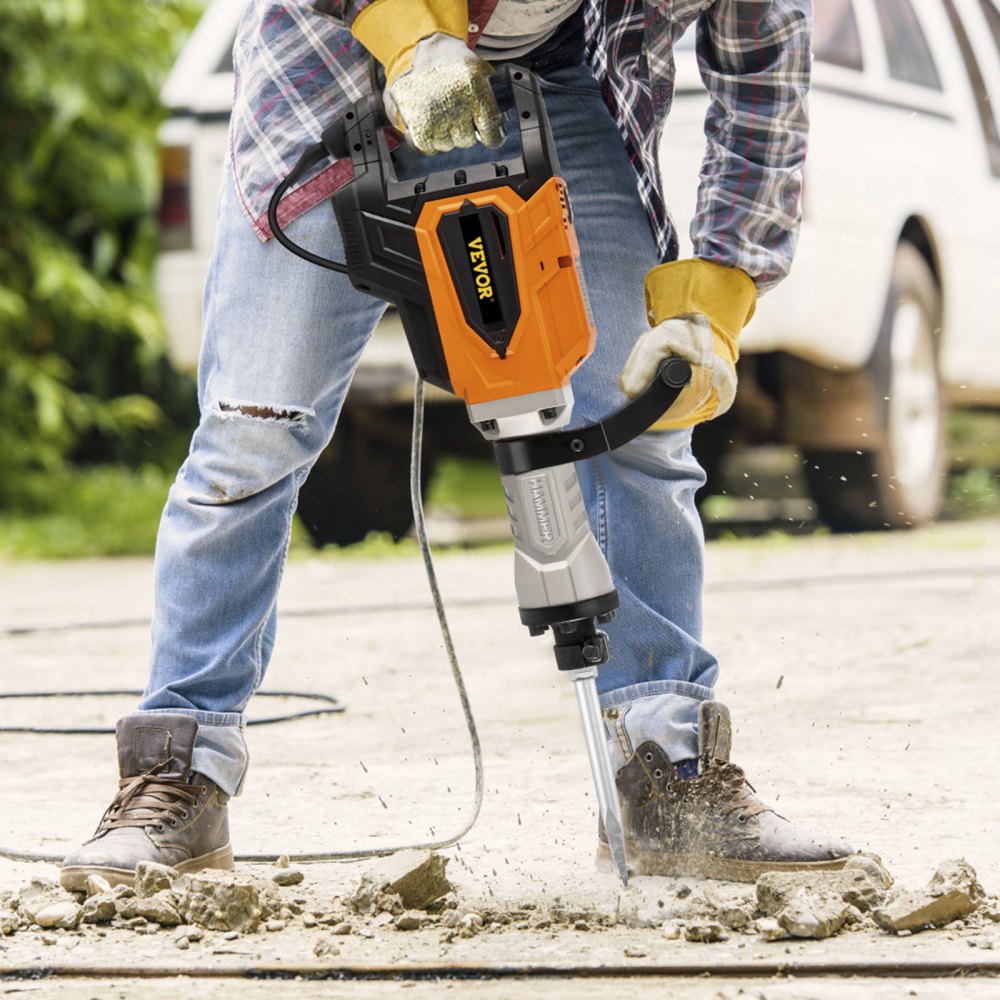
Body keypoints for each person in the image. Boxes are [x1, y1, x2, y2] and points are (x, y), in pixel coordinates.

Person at [61, 0, 853, 890]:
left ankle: (669, 772)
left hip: (551, 81)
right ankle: (178, 775)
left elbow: (763, 79)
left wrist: (713, 305)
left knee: (647, 420)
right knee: (253, 435)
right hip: (333, 68)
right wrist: (407, 35)